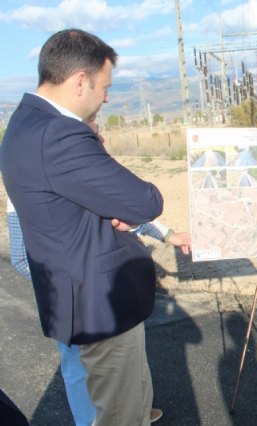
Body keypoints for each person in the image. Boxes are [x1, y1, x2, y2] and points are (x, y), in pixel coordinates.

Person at [1, 29, 163, 425]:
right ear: (79, 81)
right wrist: (124, 202)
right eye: (104, 86)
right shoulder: (59, 134)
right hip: (100, 307)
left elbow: (76, 200)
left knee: (126, 405)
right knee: (121, 415)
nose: (105, 97)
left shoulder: (24, 123)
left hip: (77, 296)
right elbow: (146, 201)